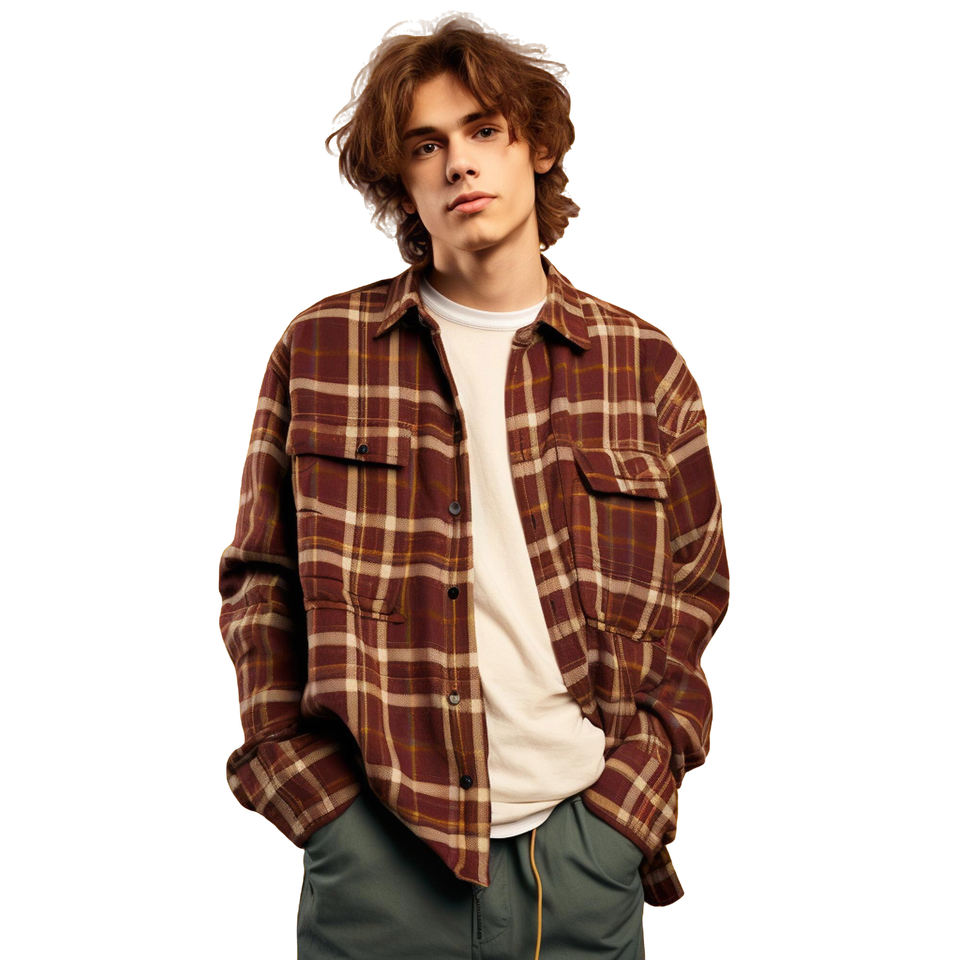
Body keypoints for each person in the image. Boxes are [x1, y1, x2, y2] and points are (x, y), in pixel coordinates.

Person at [218, 14, 729, 960]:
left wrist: (627, 813)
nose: (459, 163)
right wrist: (320, 808)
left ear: (536, 146)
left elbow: (695, 595)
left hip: (581, 852)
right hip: (378, 856)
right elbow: (261, 582)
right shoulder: (323, 351)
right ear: (401, 181)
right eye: (426, 145)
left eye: (483, 130)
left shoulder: (641, 365)